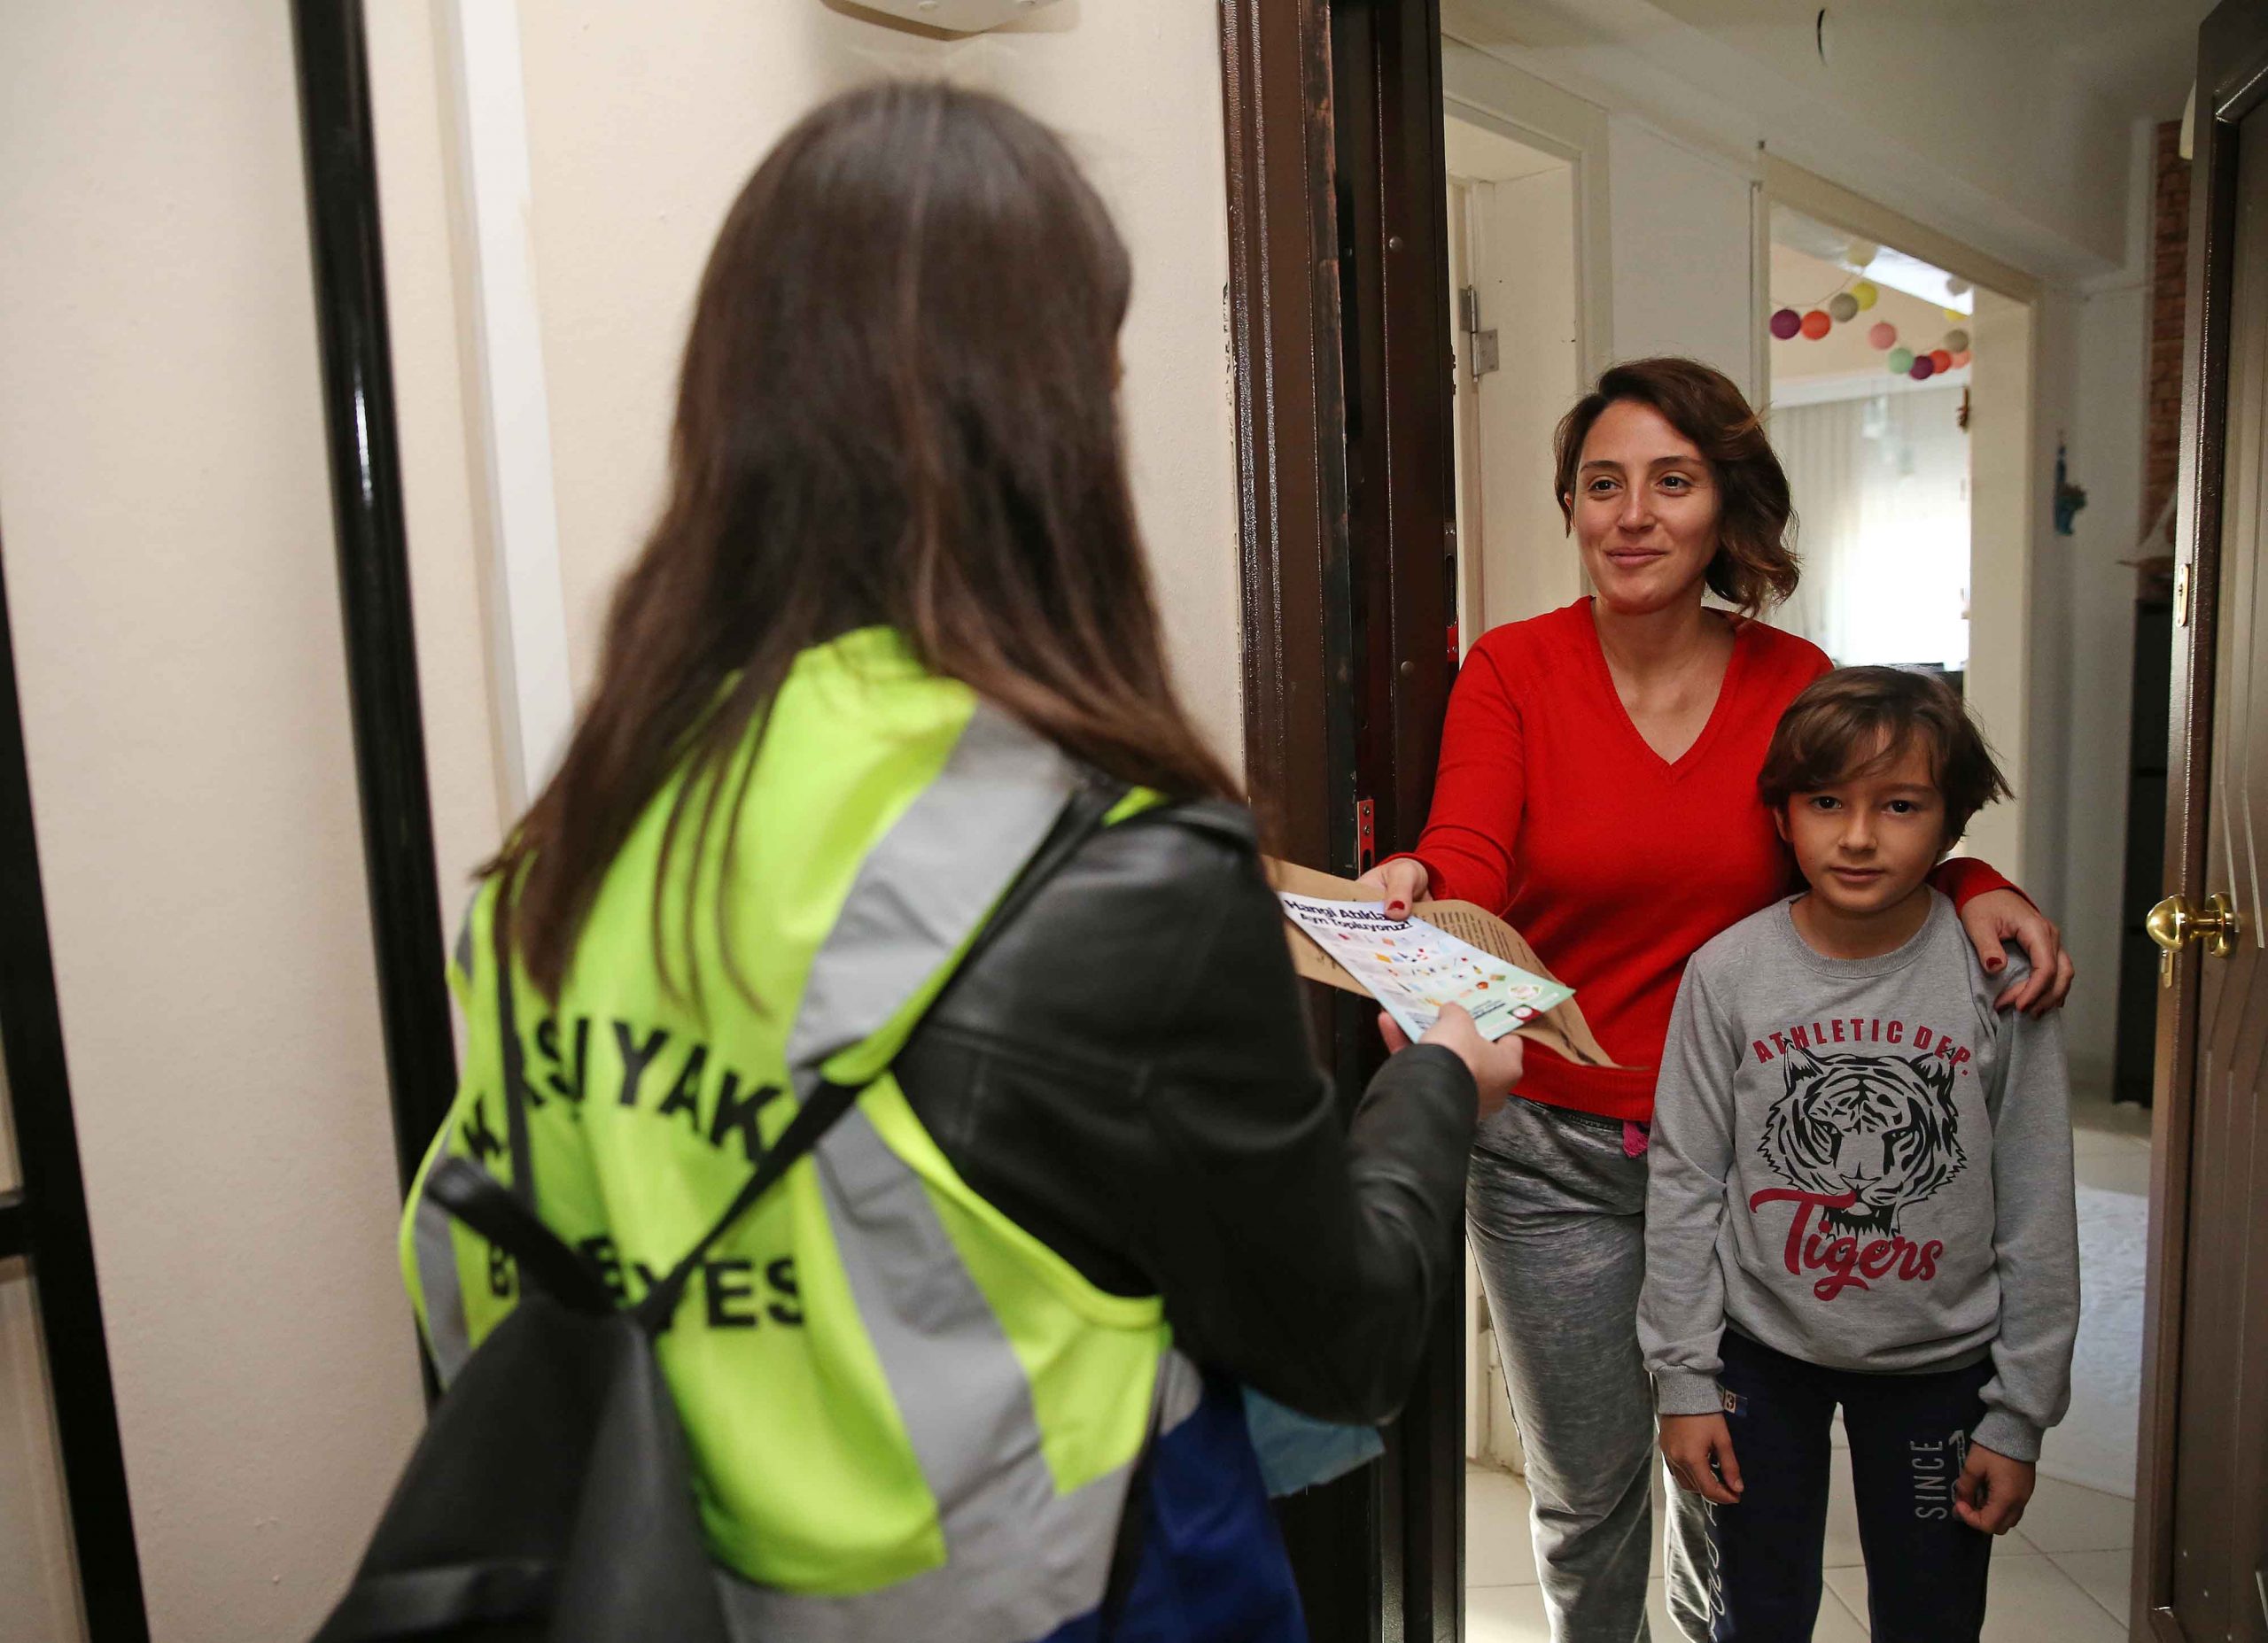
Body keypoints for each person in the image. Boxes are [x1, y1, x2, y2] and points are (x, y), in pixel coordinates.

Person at [398, 83, 1521, 1643]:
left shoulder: (589, 824)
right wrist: (1442, 1081)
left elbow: (470, 1264)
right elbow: (1341, 1341)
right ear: (1046, 425)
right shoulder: (1105, 859)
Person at [1356, 357, 2072, 1641]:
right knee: (1590, 1491)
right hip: (1551, 1152)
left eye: (1669, 482)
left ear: (1720, 506)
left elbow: (1876, 813)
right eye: (1601, 484)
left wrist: (1972, 876)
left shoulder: (1796, 674)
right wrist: (1420, 882)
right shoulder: (1515, 669)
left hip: (1751, 1154)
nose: (1631, 514)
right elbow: (1469, 852)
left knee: (1727, 1488)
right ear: (1572, 508)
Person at [1639, 666, 2078, 1641]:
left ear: (1952, 820)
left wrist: (2017, 1414)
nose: (1857, 835)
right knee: (1754, 1612)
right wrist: (1682, 1379)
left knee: (1929, 1614)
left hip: (1942, 1363)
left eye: (1901, 805)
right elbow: (1682, 1183)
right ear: (1783, 814)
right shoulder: (1729, 974)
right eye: (1825, 801)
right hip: (1761, 1356)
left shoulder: (1999, 978)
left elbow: (2039, 1201)